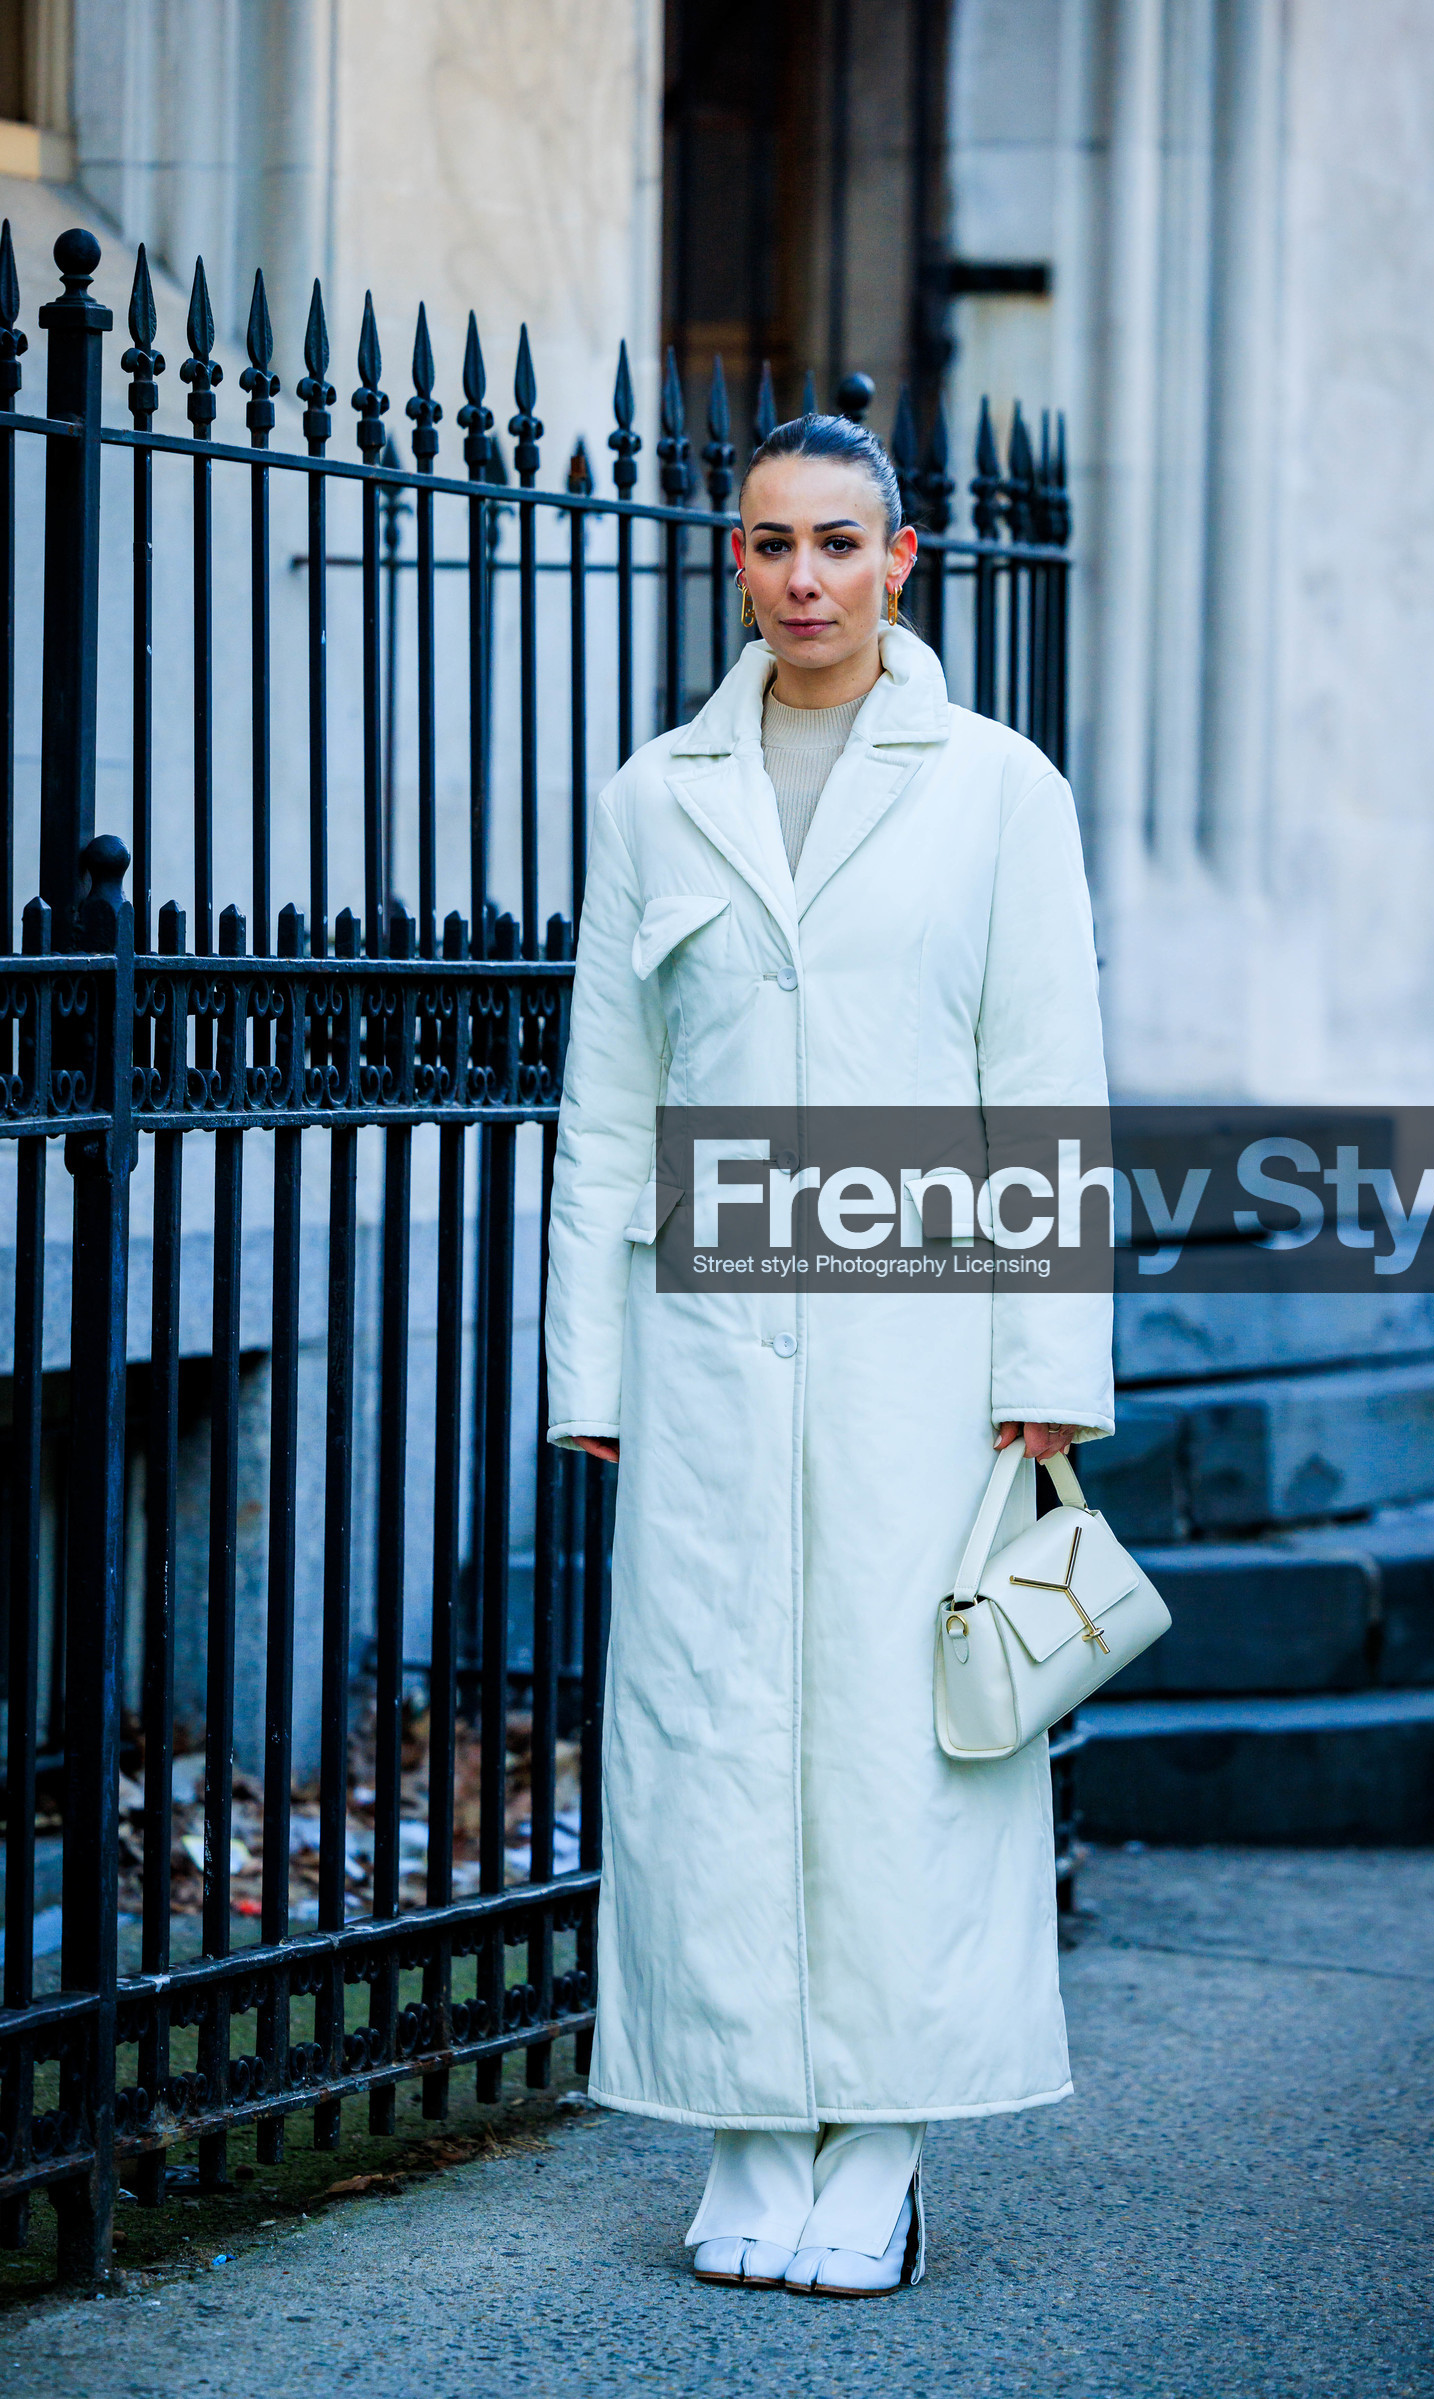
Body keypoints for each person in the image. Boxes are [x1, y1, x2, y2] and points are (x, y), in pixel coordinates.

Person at [543, 412, 1113, 2296]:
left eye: (839, 544)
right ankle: (741, 2127)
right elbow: (608, 1108)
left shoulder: (999, 790)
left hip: (924, 1356)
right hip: (708, 1346)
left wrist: (1053, 1359)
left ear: (904, 558)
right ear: (735, 564)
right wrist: (594, 1373)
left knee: (899, 1745)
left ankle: (878, 2138)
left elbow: (1042, 1081)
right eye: (772, 545)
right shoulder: (653, 796)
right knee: (709, 1730)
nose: (805, 579)